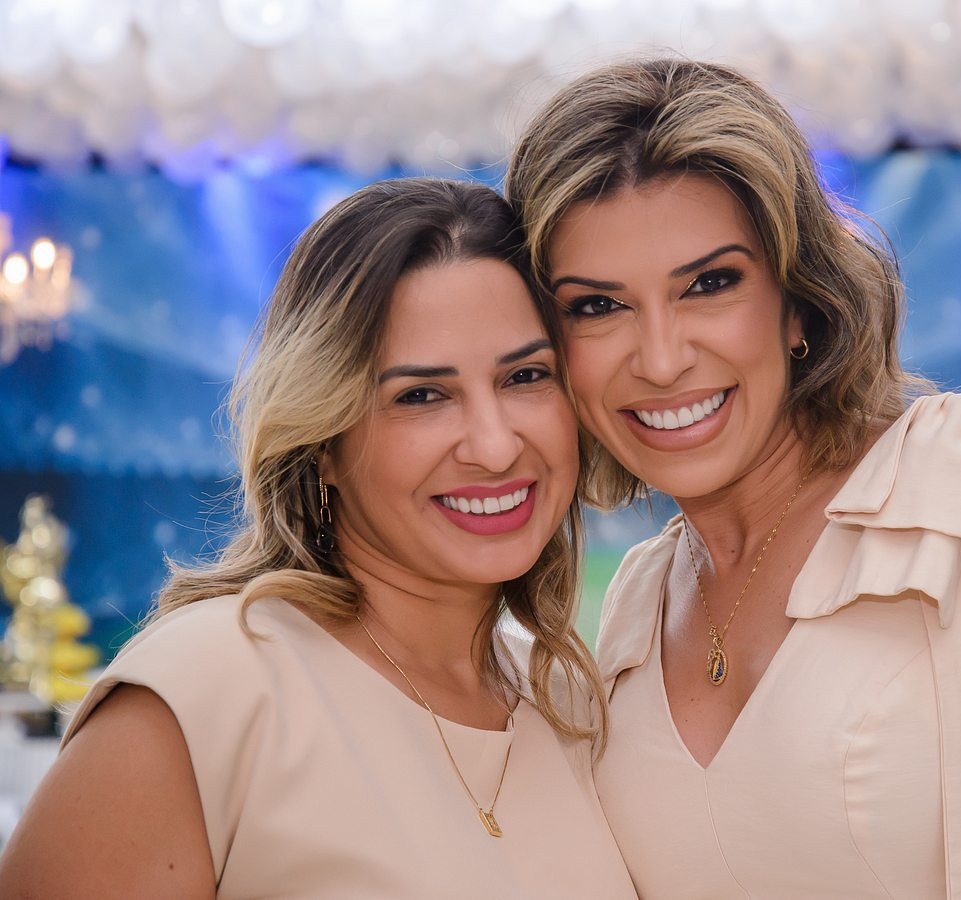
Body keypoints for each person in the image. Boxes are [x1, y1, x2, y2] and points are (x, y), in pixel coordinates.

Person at [505, 59, 961, 898]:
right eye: (597, 306)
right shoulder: (633, 612)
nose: (660, 358)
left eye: (710, 284)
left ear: (797, 300)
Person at [0, 178, 635, 898]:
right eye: (421, 395)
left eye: (525, 376)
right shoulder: (206, 693)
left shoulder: (569, 706)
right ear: (323, 441)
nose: (494, 446)